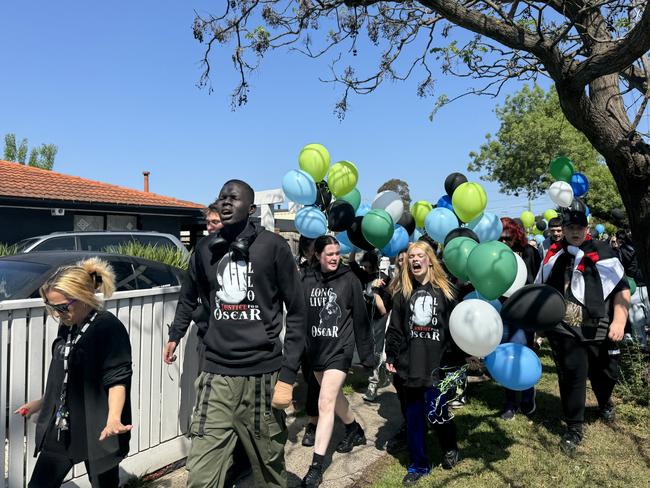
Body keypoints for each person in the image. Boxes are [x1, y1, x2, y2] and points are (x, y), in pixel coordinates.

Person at [164, 179, 307, 487]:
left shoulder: (273, 246)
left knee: (269, 469)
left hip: (263, 377)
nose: (226, 203)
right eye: (222, 197)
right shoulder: (203, 250)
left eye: (235, 198)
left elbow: (297, 311)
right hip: (216, 376)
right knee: (201, 474)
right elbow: (191, 298)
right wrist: (176, 334)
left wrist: (288, 374)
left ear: (251, 208)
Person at [17, 258, 132, 488]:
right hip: (63, 426)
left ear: (82, 297)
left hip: (98, 426)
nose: (57, 313)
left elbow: (117, 378)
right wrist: (41, 403)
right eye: (51, 307)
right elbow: (67, 376)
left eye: (61, 306)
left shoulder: (108, 328)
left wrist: (113, 418)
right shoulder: (69, 325)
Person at [535, 210, 630, 456]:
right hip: (564, 327)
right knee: (571, 375)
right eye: (570, 228)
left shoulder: (604, 252)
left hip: (598, 324)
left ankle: (604, 400)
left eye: (579, 227)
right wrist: (540, 325)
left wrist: (618, 322)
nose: (575, 232)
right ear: (563, 229)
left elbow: (622, 290)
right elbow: (543, 290)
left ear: (587, 228)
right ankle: (574, 426)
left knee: (606, 372)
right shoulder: (554, 254)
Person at [300, 236, 374, 488]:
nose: (334, 258)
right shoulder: (307, 279)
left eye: (337, 253)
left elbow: (361, 320)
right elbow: (300, 316)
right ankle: (354, 429)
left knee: (325, 402)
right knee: (334, 397)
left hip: (339, 350)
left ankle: (316, 467)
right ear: (318, 255)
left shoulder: (349, 280)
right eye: (329, 254)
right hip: (316, 351)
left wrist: (367, 355)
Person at [385, 241, 460, 486]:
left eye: (420, 256)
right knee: (414, 416)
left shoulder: (446, 291)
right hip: (410, 363)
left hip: (437, 363)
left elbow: (457, 329)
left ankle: (450, 445)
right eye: (412, 257)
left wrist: (461, 357)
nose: (415, 260)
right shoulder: (402, 293)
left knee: (436, 411)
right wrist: (391, 355)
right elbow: (395, 328)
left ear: (429, 260)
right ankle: (419, 464)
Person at [498, 217, 541, 420]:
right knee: (505, 357)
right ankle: (509, 402)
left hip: (524, 313)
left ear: (516, 235)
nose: (504, 241)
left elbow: (535, 281)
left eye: (508, 238)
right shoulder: (494, 254)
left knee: (523, 355)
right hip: (500, 313)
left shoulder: (529, 252)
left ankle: (527, 394)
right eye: (500, 238)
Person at [350, 251, 392, 402]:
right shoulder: (364, 275)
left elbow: (384, 309)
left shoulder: (384, 279)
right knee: (365, 348)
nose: (365, 269)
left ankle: (373, 384)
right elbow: (352, 264)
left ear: (375, 264)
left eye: (368, 267)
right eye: (364, 266)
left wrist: (374, 292)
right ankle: (380, 371)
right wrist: (354, 246)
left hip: (378, 319)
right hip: (364, 318)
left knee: (375, 350)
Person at [296, 236, 322, 448]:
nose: (311, 253)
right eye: (308, 249)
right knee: (309, 377)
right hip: (303, 335)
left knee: (315, 381)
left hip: (325, 335)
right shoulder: (300, 273)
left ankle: (313, 424)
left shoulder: (331, 272)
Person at [615, 230, 648, 348]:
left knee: (637, 321)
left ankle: (642, 346)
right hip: (634, 286)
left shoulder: (623, 250)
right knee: (636, 320)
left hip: (637, 286)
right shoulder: (623, 250)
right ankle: (642, 348)